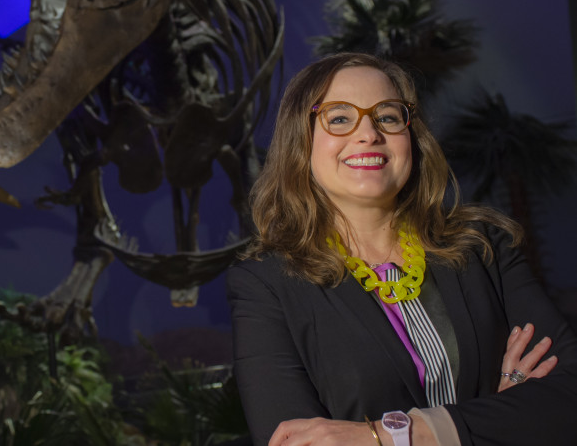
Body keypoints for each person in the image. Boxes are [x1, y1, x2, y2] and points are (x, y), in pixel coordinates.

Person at [226, 52, 577, 446]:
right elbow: (295, 441)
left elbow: (569, 393)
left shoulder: (482, 245)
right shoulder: (265, 285)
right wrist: (506, 415)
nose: (368, 133)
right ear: (299, 141)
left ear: (412, 137)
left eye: (388, 117)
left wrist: (395, 435)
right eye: (339, 118)